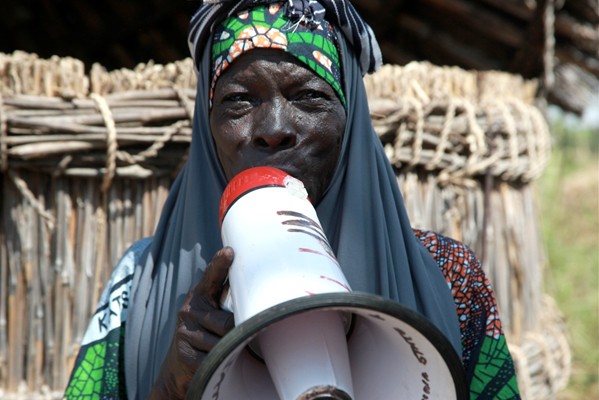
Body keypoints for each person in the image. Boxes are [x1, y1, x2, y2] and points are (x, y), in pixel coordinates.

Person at [64, 1, 521, 399]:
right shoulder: (137, 284)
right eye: (240, 100)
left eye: (309, 96)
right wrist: (168, 388)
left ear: (352, 120)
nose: (274, 128)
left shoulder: (450, 277)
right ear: (208, 129)